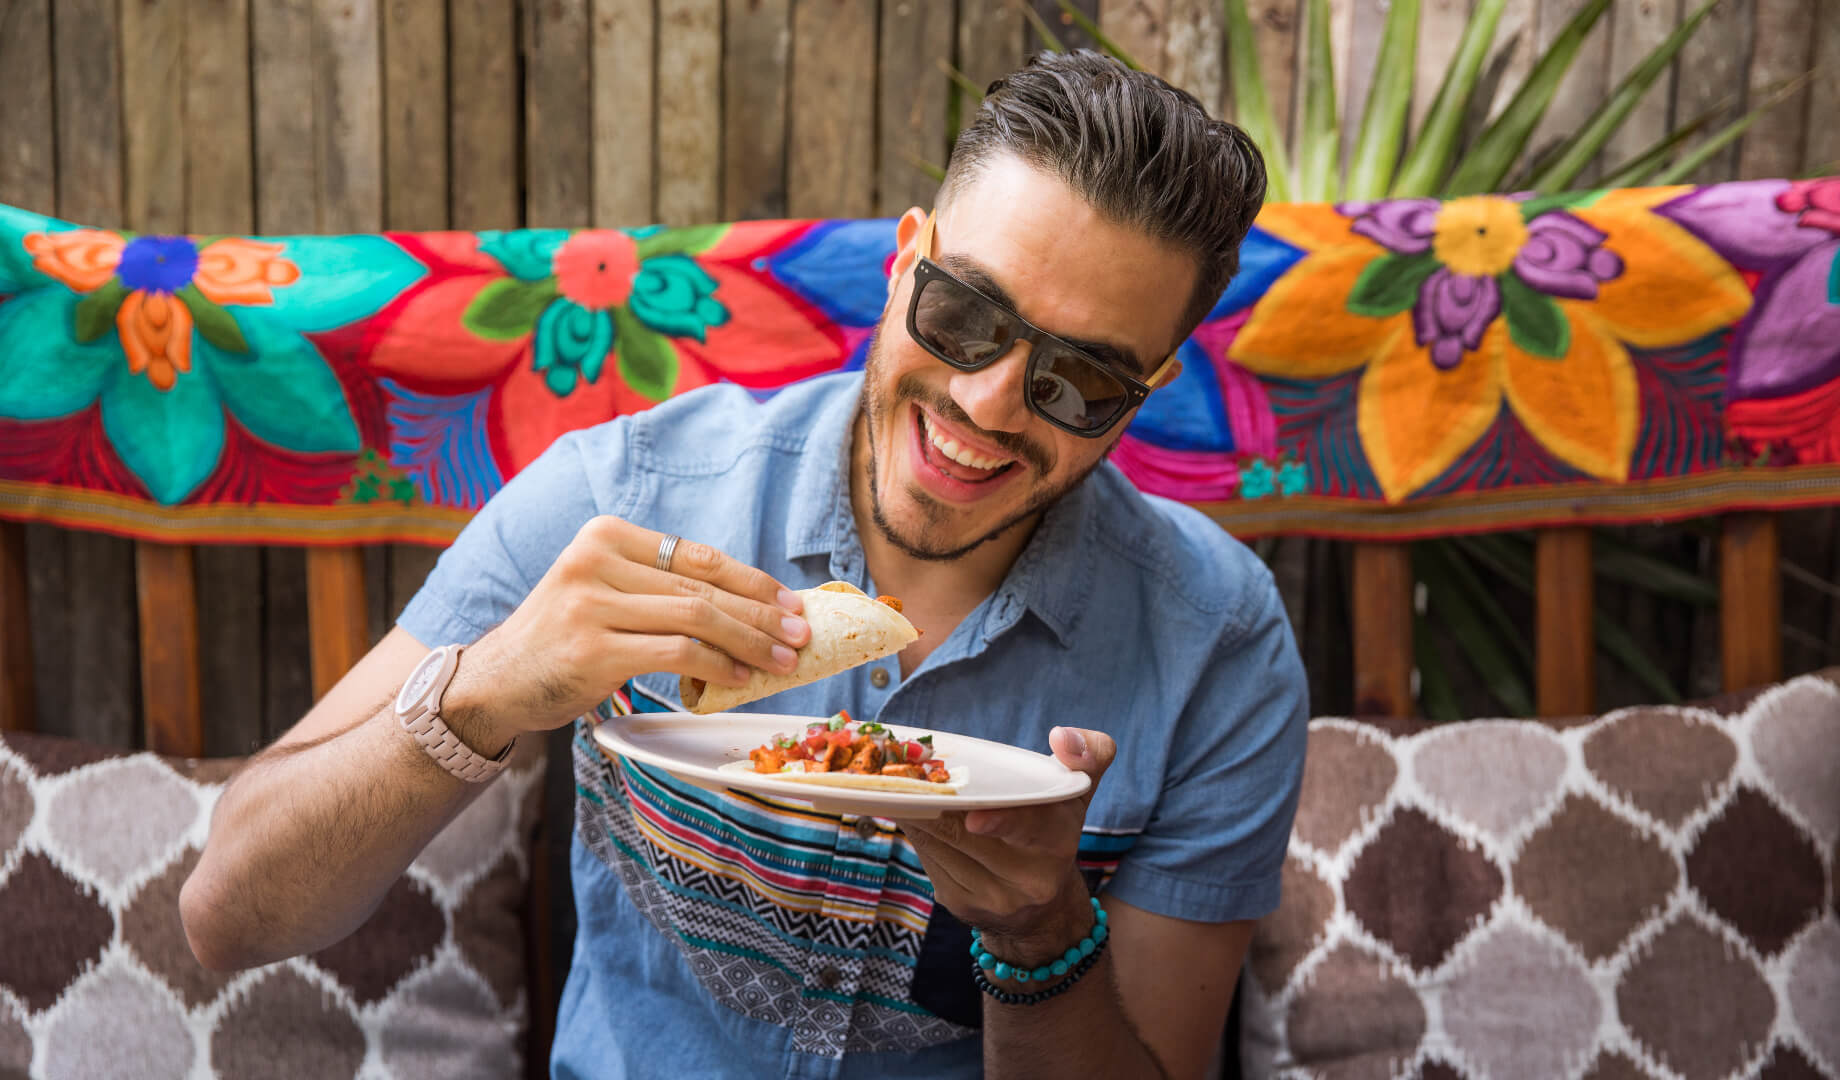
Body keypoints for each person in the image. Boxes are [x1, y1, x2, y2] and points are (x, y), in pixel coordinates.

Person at [182, 50, 1308, 1080]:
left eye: (1080, 382)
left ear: (1148, 391)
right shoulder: (621, 497)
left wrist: (1039, 936)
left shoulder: (1219, 643)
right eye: (965, 314)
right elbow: (227, 913)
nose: (986, 403)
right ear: (905, 259)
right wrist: (485, 692)